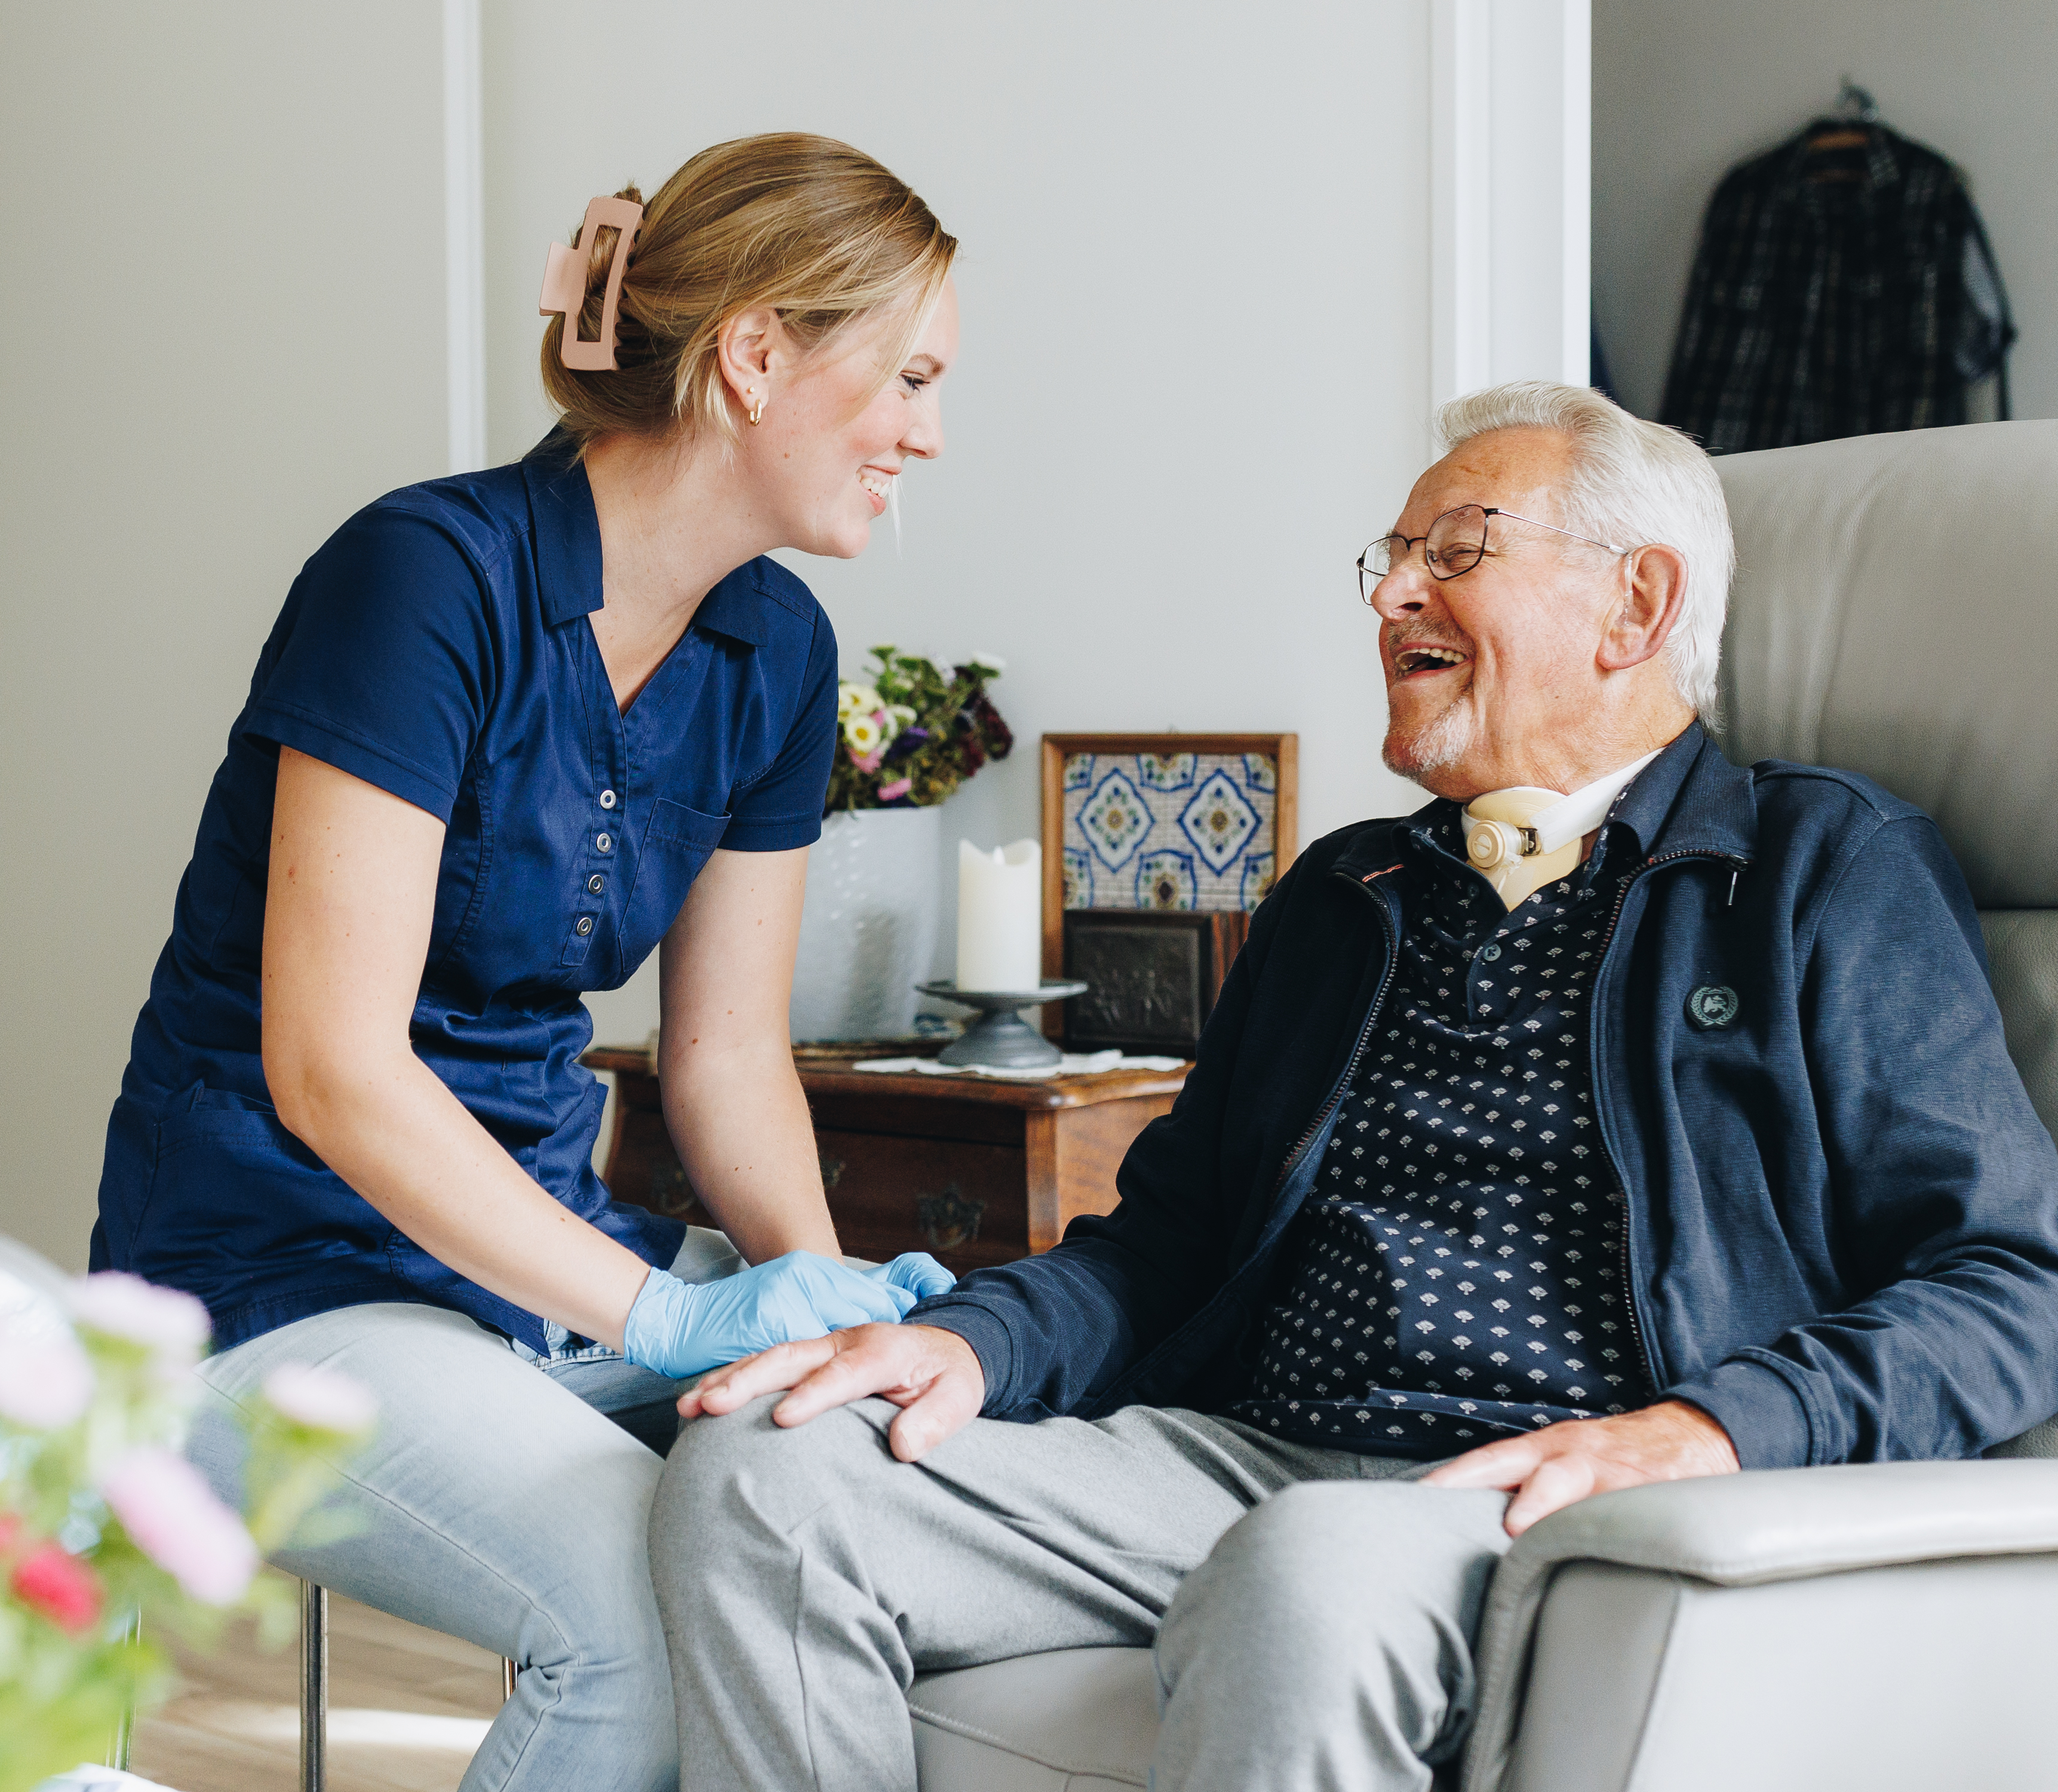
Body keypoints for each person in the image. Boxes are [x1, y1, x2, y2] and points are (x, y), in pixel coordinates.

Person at [649, 379, 2058, 1792]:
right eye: (1390, 562)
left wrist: (1715, 1428)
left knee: (1304, 1570)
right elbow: (1166, 1246)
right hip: (1242, 1458)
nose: (1392, 598)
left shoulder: (1825, 866)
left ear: (1635, 607)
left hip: (1540, 1491)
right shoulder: (1345, 892)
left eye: (1456, 552)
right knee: (765, 1472)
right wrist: (971, 1343)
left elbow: (2014, 1280)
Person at [90, 133, 961, 1791]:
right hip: (283, 1284)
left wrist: (817, 1307)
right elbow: (330, 1067)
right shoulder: (423, 580)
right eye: (906, 374)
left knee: (850, 1528)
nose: (928, 430)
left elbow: (721, 1058)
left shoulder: (774, 647)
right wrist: (661, 1313)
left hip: (544, 1277)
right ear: (755, 354)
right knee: (630, 1632)